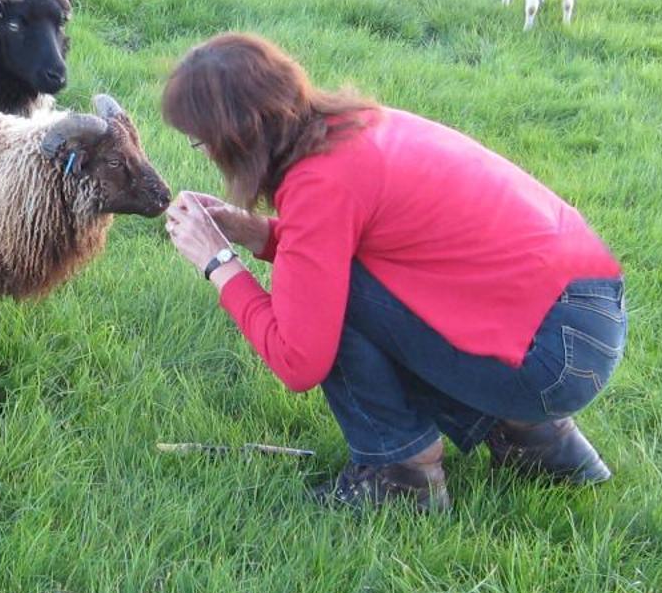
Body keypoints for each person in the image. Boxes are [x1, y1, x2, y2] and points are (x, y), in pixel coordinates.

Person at [160, 33, 626, 512]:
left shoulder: (321, 183)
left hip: (552, 359)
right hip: (583, 320)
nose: (205, 152)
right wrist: (256, 232)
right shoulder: (357, 125)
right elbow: (373, 249)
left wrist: (219, 263)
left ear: (237, 136)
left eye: (202, 140)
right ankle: (537, 441)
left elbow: (299, 359)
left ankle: (401, 472)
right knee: (345, 279)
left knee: (327, 303)